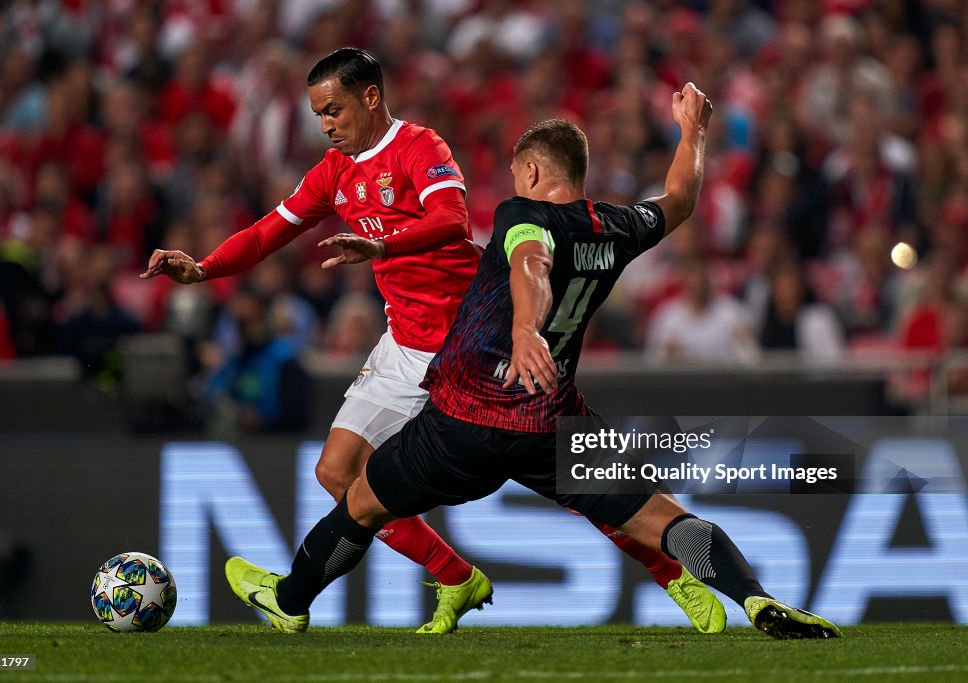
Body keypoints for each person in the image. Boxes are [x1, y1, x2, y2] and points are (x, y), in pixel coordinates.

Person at [224, 86, 841, 640]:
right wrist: (693, 132)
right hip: (552, 425)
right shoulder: (617, 225)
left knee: (359, 502)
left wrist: (524, 330)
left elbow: (530, 265)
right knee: (666, 518)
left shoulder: (522, 216)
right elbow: (679, 199)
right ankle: (756, 599)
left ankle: (288, 599)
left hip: (463, 422)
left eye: (520, 173)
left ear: (534, 169)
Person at [143, 48, 722, 634]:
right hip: (403, 345)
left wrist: (384, 246)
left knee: (579, 484)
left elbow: (451, 220)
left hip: (471, 348)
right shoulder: (332, 172)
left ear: (370, 97)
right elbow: (272, 230)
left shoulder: (422, 148)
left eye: (334, 110)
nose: (326, 125)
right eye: (319, 114)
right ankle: (455, 577)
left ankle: (676, 580)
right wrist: (205, 268)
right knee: (337, 471)